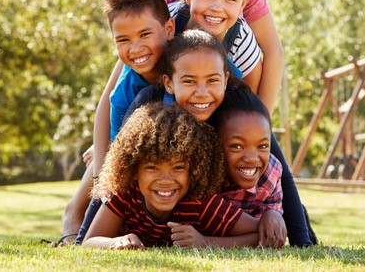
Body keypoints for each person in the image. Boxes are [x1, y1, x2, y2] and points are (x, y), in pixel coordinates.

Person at [88, 0, 285, 207]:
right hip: (170, 82)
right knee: (124, 142)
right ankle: (81, 221)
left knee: (264, 154)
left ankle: (298, 230)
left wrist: (257, 125)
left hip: (226, 81)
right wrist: (106, 129)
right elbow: (135, 50)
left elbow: (273, 52)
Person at [125, 30, 314, 247]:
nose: (202, 93)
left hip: (231, 214)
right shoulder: (154, 109)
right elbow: (120, 163)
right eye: (189, 81)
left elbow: (282, 174)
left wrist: (292, 232)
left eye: (212, 80)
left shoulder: (239, 118)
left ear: (225, 80)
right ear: (169, 83)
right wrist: (86, 234)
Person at [58, 0, 174, 245]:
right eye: (123, 40)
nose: (135, 48)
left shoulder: (186, 64)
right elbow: (116, 156)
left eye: (144, 35)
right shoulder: (123, 92)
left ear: (169, 29)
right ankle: (78, 222)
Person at [81, 102, 261, 248]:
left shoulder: (200, 203)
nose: (166, 180)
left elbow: (258, 234)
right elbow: (90, 242)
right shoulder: (125, 195)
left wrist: (205, 243)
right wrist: (114, 242)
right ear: (134, 170)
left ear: (194, 169)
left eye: (178, 168)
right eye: (152, 167)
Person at [170, 0, 262, 92]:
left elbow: (250, 103)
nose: (217, 8)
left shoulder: (241, 41)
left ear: (242, 4)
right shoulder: (169, 20)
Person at [209, 84, 286, 248]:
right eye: (236, 146)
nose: (252, 159)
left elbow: (270, 236)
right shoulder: (204, 175)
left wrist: (272, 214)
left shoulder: (271, 173)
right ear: (215, 143)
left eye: (263, 146)